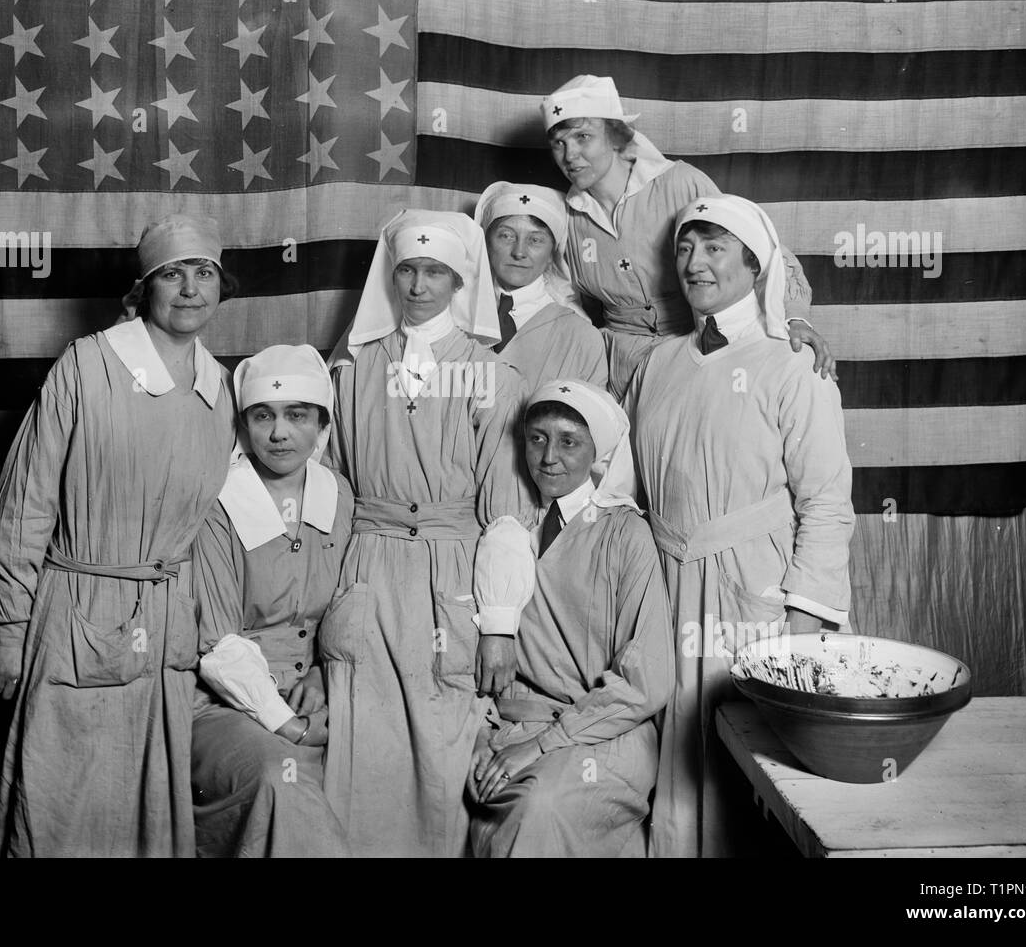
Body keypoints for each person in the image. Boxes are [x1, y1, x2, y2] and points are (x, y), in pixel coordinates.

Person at [0, 213, 238, 857]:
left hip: (165, 628)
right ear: (142, 290)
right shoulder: (86, 365)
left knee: (148, 806)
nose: (189, 288)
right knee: (58, 802)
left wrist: (214, 632)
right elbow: (26, 501)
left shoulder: (223, 390)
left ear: (220, 287)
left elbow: (211, 528)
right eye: (171, 274)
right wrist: (12, 629)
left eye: (203, 272)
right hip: (76, 616)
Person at [626, 194, 854, 858]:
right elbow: (618, 479)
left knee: (752, 784)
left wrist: (802, 629)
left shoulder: (794, 364)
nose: (696, 263)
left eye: (715, 247)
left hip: (757, 597)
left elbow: (827, 504)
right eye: (686, 248)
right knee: (678, 777)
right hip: (668, 593)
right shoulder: (658, 364)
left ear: (757, 266)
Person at [321, 209, 537, 857]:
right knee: (364, 751)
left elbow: (506, 514)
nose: (418, 286)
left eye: (435, 271)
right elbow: (329, 488)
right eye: (408, 270)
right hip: (367, 570)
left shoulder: (495, 377)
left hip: (452, 577)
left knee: (445, 751)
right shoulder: (351, 370)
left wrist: (498, 625)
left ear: (458, 279)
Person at [468, 380, 674, 857]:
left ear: (596, 452)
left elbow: (648, 681)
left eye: (568, 442)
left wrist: (544, 745)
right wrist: (478, 735)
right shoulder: (506, 529)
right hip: (513, 725)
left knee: (541, 806)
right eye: (536, 438)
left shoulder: (625, 533)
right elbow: (468, 652)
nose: (548, 457)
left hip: (603, 734)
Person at [541, 74, 834, 398]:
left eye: (583, 137)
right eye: (559, 142)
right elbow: (561, 299)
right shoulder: (566, 218)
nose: (569, 156)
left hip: (698, 357)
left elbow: (762, 253)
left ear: (614, 135)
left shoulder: (680, 184)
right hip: (619, 373)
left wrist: (795, 317)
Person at [189, 344, 351, 857]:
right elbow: (216, 644)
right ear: (244, 425)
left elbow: (350, 607)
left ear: (321, 423)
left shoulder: (340, 497)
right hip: (228, 705)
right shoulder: (219, 504)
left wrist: (327, 674)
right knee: (281, 782)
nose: (279, 433)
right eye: (263, 416)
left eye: (296, 415)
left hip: (321, 693)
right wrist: (290, 726)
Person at [473, 181, 607, 391]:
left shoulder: (579, 334)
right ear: (486, 241)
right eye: (506, 235)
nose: (519, 252)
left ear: (553, 253)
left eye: (535, 240)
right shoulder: (456, 313)